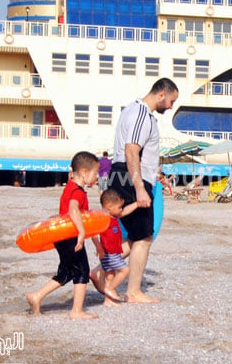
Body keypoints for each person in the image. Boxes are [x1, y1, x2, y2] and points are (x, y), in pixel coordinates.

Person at [94, 77, 178, 304]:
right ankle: (132, 292)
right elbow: (132, 151)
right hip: (131, 177)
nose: (171, 107)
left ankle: (100, 272)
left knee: (136, 236)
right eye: (171, 101)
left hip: (126, 174)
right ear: (161, 94)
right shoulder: (142, 113)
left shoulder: (131, 111)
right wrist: (140, 187)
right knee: (143, 238)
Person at [26, 151, 99, 319]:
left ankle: (36, 296)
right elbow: (74, 209)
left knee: (66, 272)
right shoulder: (78, 192)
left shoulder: (70, 187)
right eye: (96, 173)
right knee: (82, 270)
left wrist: (97, 243)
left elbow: (88, 221)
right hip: (70, 237)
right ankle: (77, 311)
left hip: (62, 238)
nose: (98, 177)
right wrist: (81, 232)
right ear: (84, 173)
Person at [93, 189, 138, 306]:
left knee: (110, 276)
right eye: (119, 207)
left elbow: (125, 212)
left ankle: (108, 300)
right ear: (109, 207)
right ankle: (110, 289)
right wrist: (98, 247)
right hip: (109, 253)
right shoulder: (103, 219)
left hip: (113, 253)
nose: (121, 210)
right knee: (125, 270)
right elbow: (92, 233)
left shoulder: (114, 216)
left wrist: (137, 204)